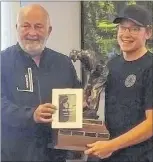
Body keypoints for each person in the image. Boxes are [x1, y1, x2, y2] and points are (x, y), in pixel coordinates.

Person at [1, 4, 81, 162]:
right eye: (26, 26)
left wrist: (81, 103)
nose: (32, 33)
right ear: (17, 28)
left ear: (49, 30)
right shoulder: (3, 61)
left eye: (38, 26)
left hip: (56, 155)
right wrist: (31, 114)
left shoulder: (63, 63)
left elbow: (75, 95)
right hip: (15, 154)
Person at [85, 4, 153, 162]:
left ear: (148, 33)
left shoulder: (150, 67)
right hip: (109, 154)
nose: (126, 34)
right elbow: (96, 102)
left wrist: (112, 146)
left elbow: (151, 124)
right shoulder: (111, 65)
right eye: (122, 27)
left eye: (134, 29)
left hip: (139, 157)